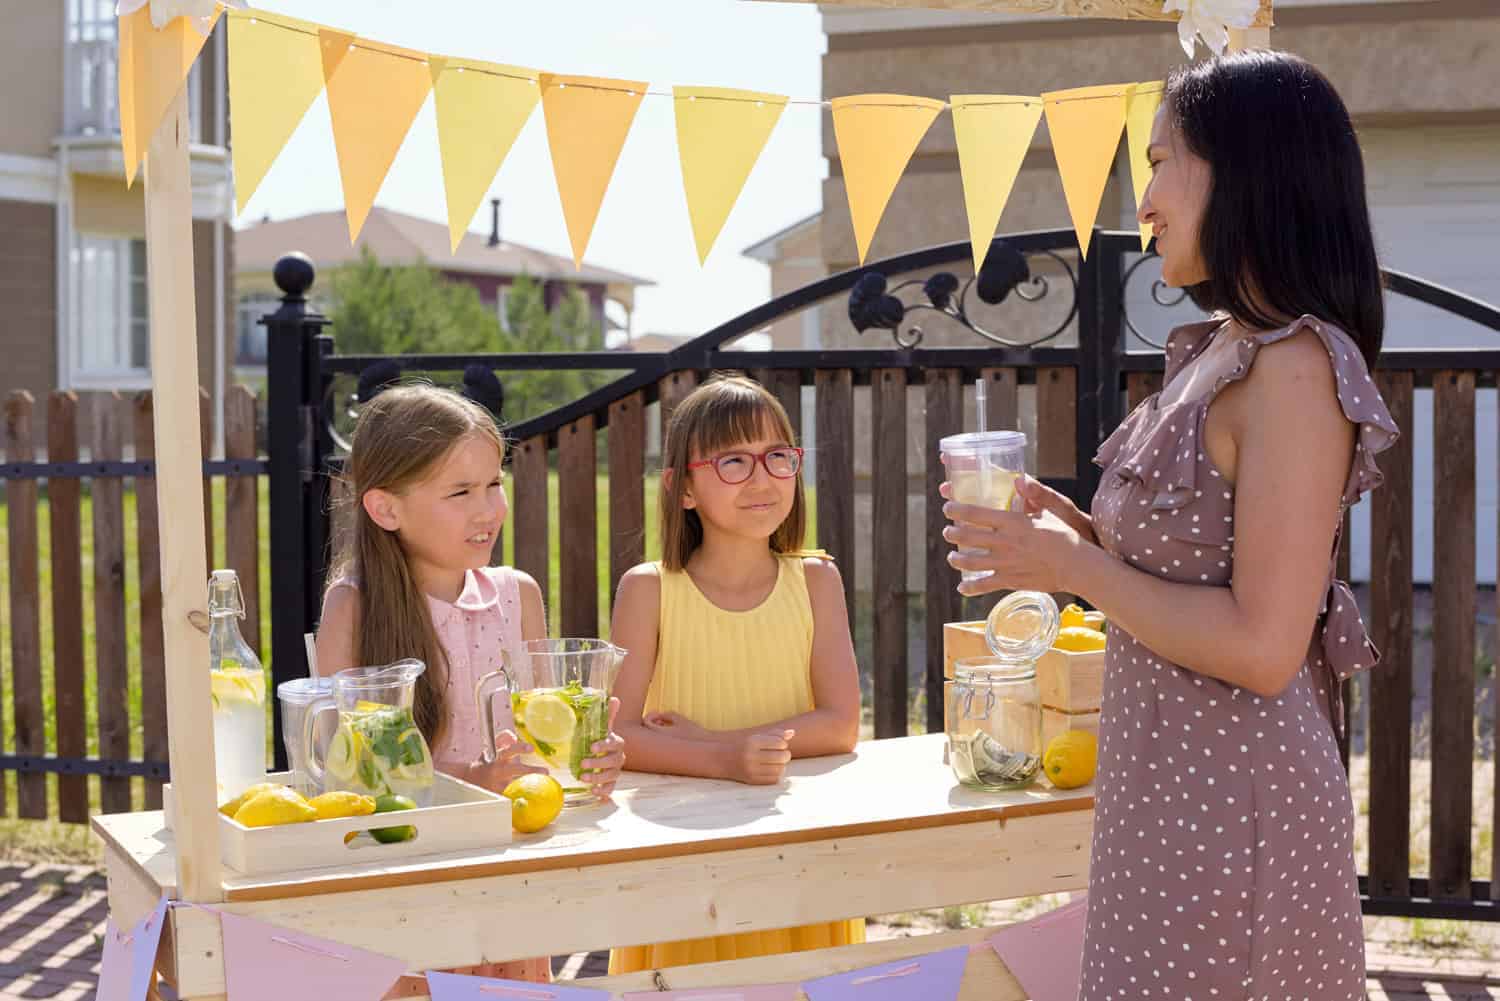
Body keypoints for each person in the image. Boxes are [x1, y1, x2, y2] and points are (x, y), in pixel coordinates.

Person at [941, 50, 1398, 1000]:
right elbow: (1194, 577)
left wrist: (1079, 568)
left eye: (1159, 162)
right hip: (1165, 801)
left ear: (1244, 171)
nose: (1142, 197)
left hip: (1236, 813)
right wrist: (1075, 537)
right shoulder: (1227, 350)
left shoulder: (1298, 367)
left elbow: (1265, 645)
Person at [314, 384, 626, 991]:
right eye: (460, 492)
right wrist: (468, 790)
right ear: (386, 509)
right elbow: (340, 782)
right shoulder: (353, 608)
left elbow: (534, 752)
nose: (488, 509)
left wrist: (588, 764)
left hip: (506, 893)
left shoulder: (519, 596)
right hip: (400, 899)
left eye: (493, 484)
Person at [607, 374, 863, 974]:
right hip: (685, 857)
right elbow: (617, 738)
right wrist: (727, 761)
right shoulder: (649, 590)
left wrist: (708, 743)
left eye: (777, 456)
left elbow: (841, 725)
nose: (762, 478)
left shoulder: (817, 580)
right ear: (683, 487)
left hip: (798, 846)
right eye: (732, 462)